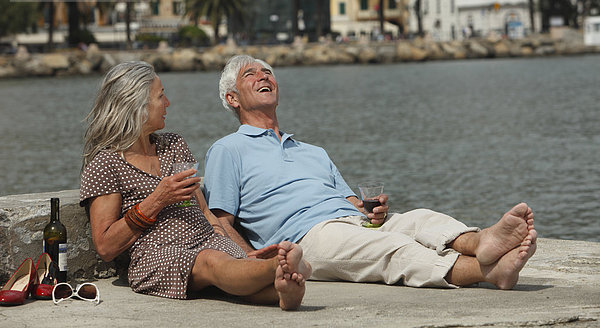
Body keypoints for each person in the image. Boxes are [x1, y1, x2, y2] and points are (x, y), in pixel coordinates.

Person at [204, 54, 537, 290]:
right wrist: (249, 262)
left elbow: (351, 202)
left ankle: (482, 241)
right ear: (232, 99)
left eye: (267, 72)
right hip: (307, 237)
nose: (263, 76)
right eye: (251, 75)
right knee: (395, 249)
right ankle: (486, 271)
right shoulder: (228, 150)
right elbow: (220, 221)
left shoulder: (312, 151)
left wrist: (370, 211)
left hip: (349, 223)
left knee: (421, 218)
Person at [79, 61, 311, 310]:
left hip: (207, 239)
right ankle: (280, 265)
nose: (167, 103)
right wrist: (157, 200)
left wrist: (233, 245)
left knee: (230, 269)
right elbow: (105, 246)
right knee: (212, 262)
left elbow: (203, 210)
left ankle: (284, 292)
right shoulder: (106, 164)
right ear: (136, 105)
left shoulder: (174, 145)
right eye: (161, 96)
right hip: (159, 252)